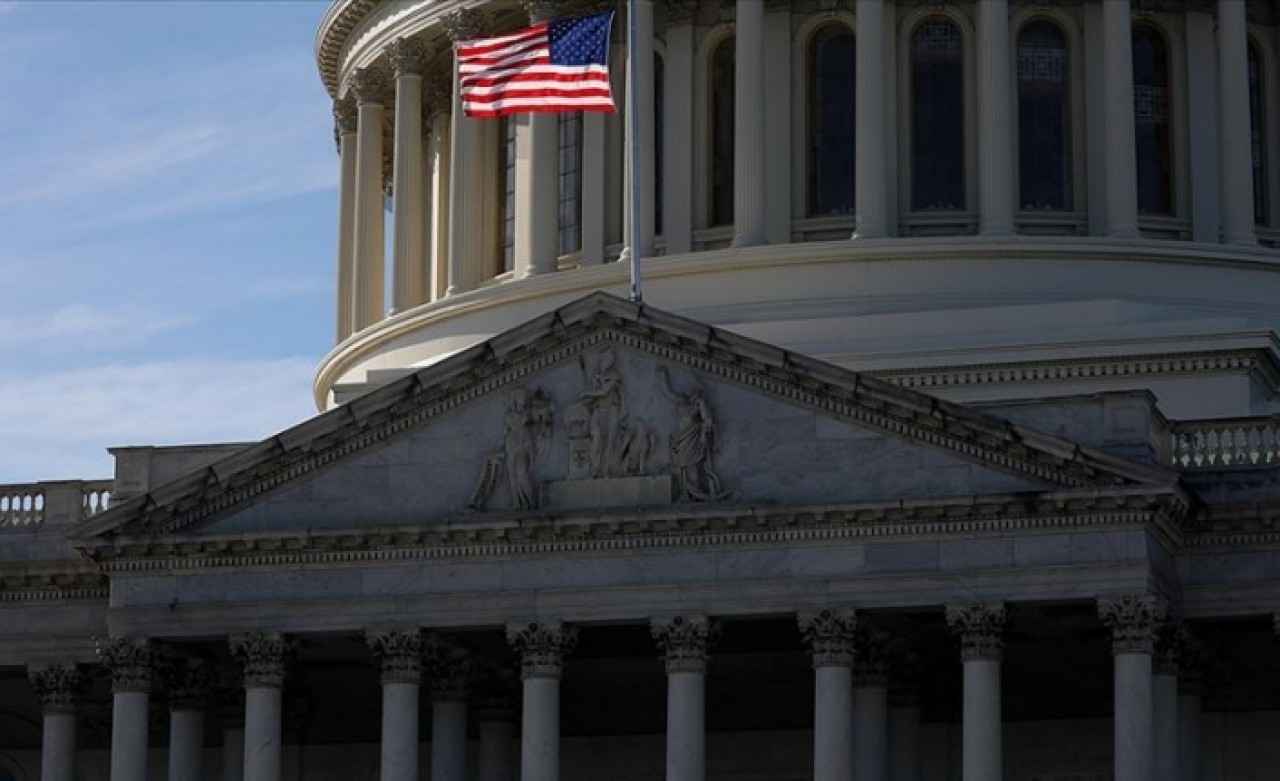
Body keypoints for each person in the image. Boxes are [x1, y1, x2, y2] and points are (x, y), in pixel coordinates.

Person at [657, 366, 727, 501]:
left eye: (691, 388)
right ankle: (686, 493)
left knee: (693, 470)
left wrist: (706, 426)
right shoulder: (682, 401)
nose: (688, 390)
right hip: (682, 439)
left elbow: (707, 419)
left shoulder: (699, 403)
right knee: (682, 468)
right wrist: (663, 377)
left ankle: (695, 494)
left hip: (694, 438)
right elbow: (668, 393)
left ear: (696, 390)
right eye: (688, 388)